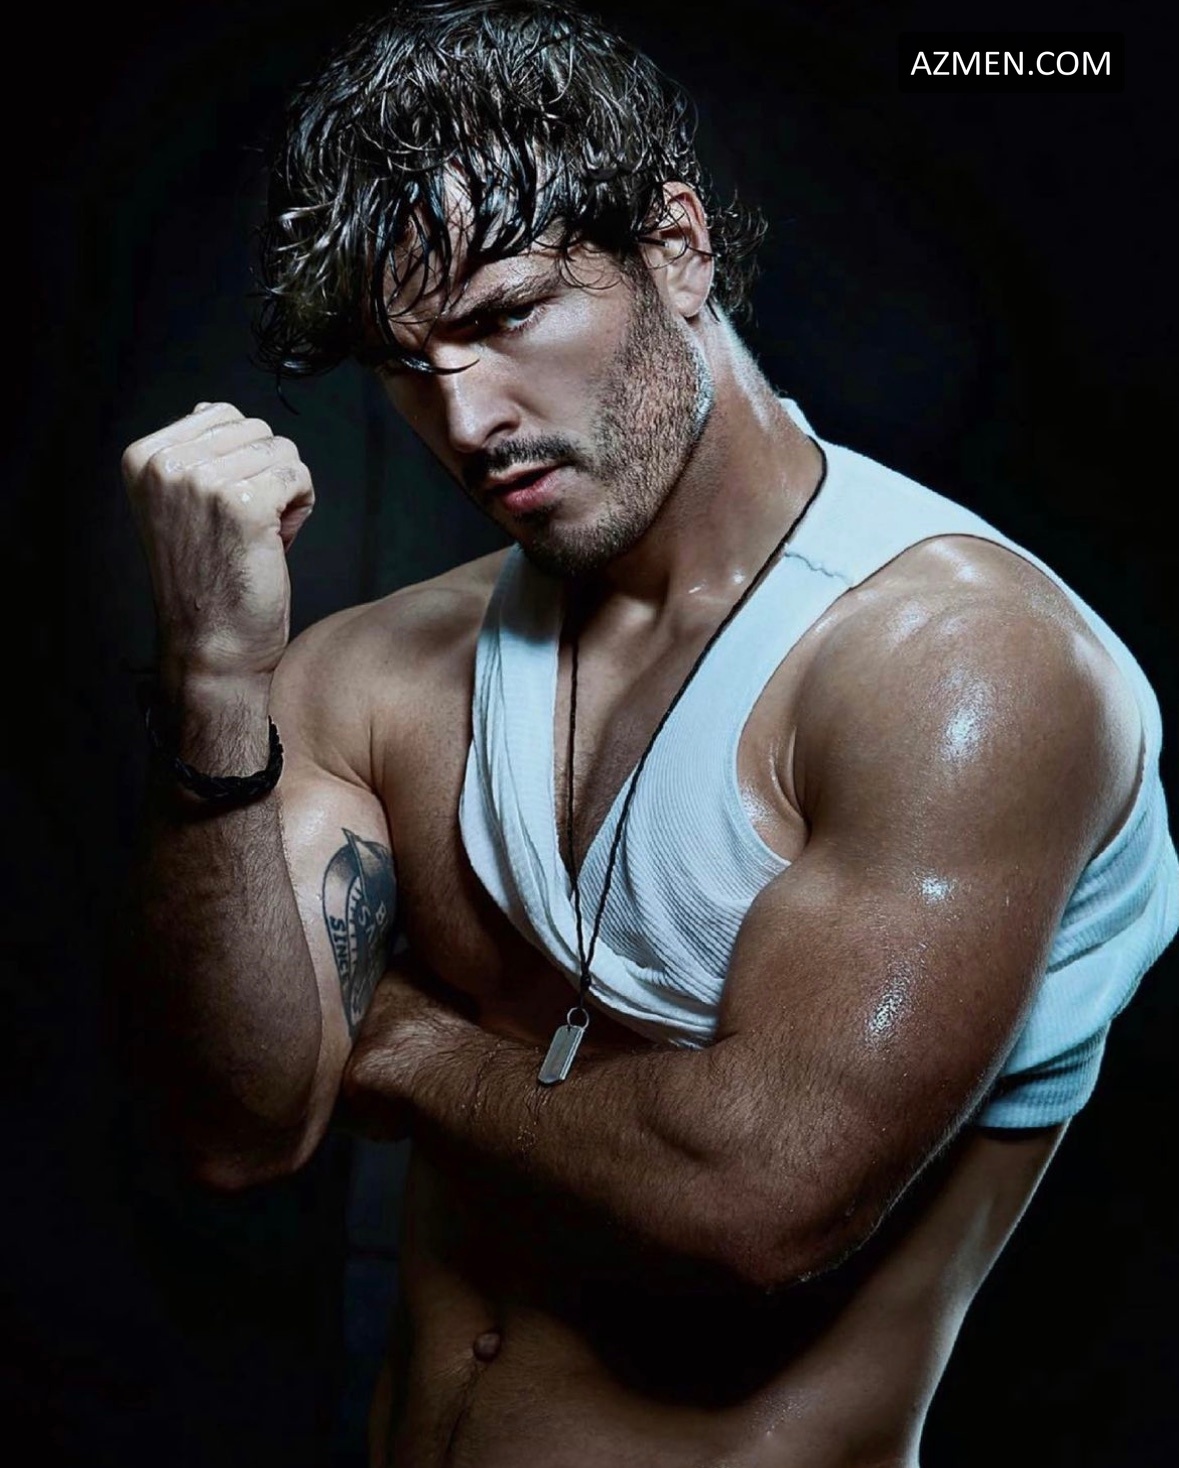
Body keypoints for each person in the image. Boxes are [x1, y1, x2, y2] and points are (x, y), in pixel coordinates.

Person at [119, 2, 1178, 1463]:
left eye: (505, 315)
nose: (466, 420)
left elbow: (759, 1200)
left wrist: (408, 1048)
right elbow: (241, 1129)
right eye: (405, 360)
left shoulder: (959, 668)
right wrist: (217, 683)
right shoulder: (373, 672)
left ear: (677, 246)